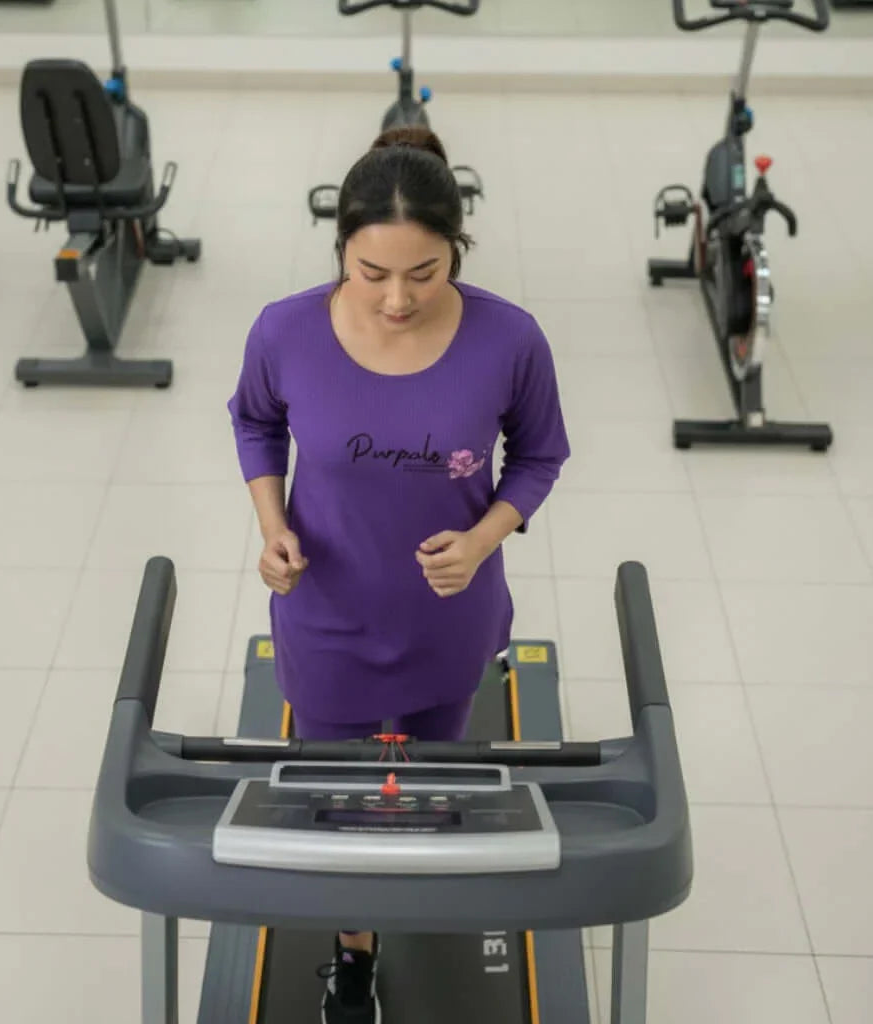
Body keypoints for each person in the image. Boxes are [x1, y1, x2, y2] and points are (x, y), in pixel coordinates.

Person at [227, 125, 570, 1024]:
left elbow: (540, 456)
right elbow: (256, 424)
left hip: (446, 625)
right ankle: (353, 950)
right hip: (326, 618)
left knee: (436, 777)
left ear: (458, 248)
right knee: (338, 798)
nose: (396, 299)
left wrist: (487, 535)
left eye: (424, 273)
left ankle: (426, 888)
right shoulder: (285, 330)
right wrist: (270, 527)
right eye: (372, 273)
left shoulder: (510, 339)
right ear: (341, 247)